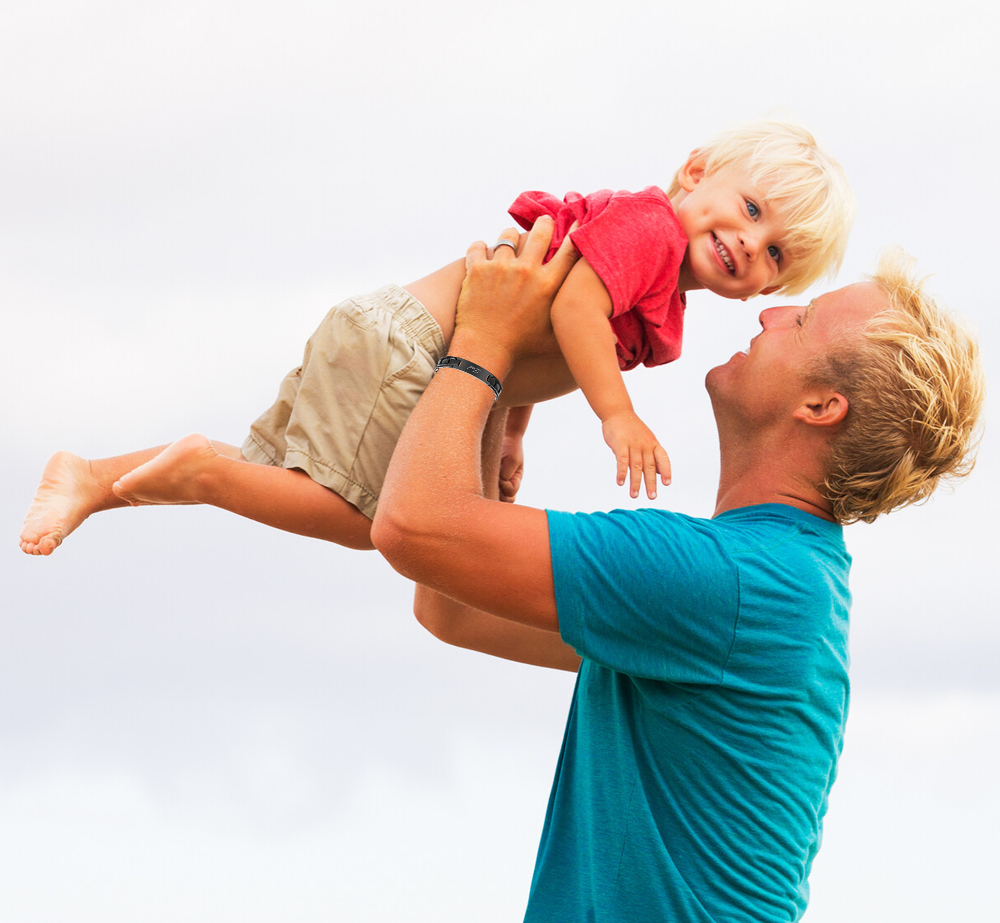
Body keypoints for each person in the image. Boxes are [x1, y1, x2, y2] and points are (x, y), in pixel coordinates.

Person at [371, 217, 985, 923]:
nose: (769, 310)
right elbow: (450, 603)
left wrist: (487, 338)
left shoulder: (728, 583)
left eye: (806, 319)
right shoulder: (773, 582)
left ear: (822, 407)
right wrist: (510, 388)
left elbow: (412, 527)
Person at [19, 120, 854, 557]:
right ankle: (194, 472)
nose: (751, 242)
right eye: (750, 209)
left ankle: (95, 477)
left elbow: (549, 320)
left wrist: (514, 429)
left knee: (276, 474)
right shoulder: (650, 232)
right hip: (413, 350)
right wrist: (616, 415)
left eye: (775, 252)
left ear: (771, 286)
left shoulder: (661, 270)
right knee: (363, 520)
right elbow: (569, 312)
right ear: (697, 172)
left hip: (410, 346)